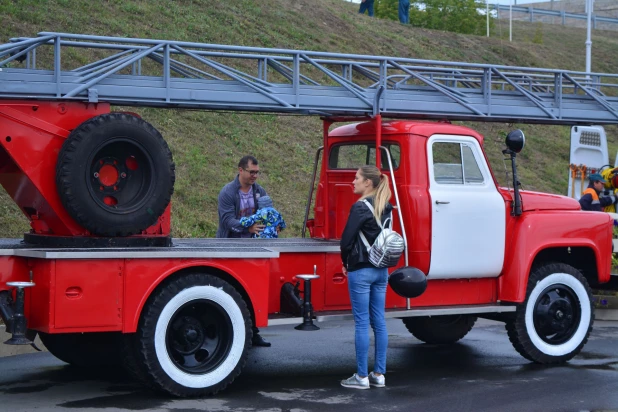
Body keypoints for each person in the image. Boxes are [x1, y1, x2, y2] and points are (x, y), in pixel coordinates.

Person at [339, 165, 393, 390]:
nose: (353, 181)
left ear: (368, 183)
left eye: (357, 178)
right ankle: (379, 374)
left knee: (362, 322)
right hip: (382, 270)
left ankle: (361, 377)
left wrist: (345, 263)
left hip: (361, 269)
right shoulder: (386, 206)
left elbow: (346, 240)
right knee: (379, 321)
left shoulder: (360, 207)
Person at [217, 155, 271, 347]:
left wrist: (272, 226)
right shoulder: (228, 192)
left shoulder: (260, 191)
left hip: (254, 249)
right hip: (231, 247)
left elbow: (266, 214)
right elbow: (227, 221)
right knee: (233, 292)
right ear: (240, 170)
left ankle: (254, 333)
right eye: (252, 172)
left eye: (257, 172)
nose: (255, 176)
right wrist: (247, 228)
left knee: (252, 291)